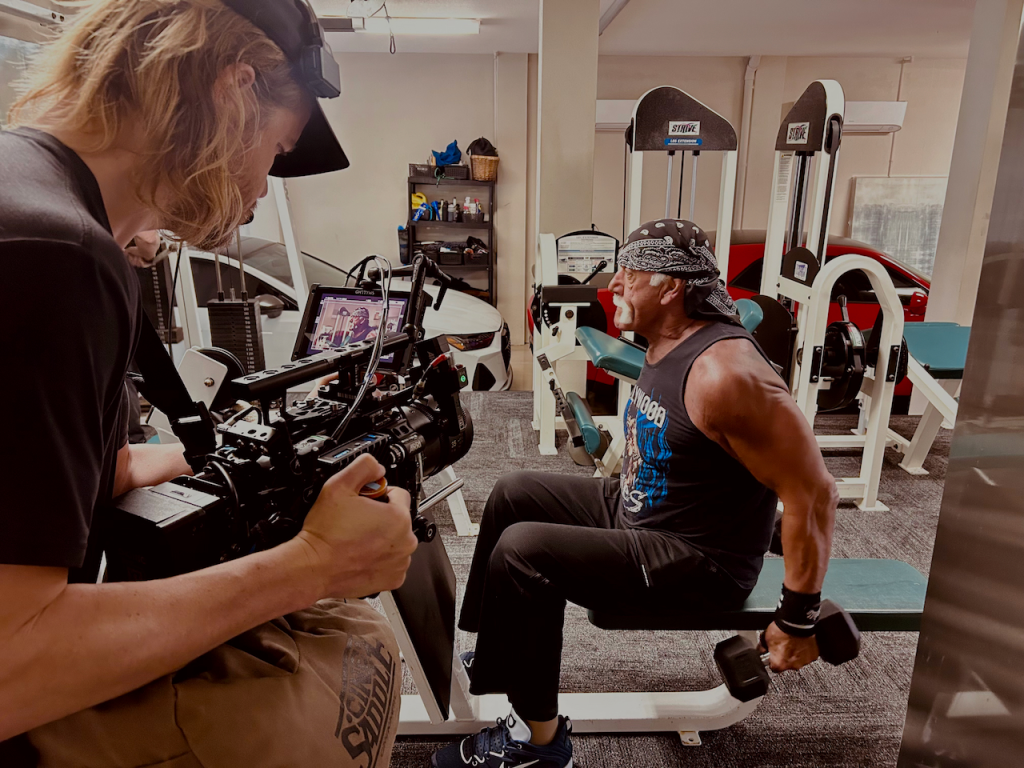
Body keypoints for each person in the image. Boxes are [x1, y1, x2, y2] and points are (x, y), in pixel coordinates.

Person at [0, 2, 416, 766]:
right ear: (233, 92)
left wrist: (202, 462)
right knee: (350, 662)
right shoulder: (53, 254)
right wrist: (312, 566)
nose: (263, 185)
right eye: (277, 146)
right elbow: (8, 666)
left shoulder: (33, 199)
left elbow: (57, 475)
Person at [431, 219, 839, 768]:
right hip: (646, 510)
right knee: (513, 491)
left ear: (672, 289)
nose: (614, 284)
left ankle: (538, 743)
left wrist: (796, 618)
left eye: (631, 273)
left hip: (697, 559)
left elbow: (815, 493)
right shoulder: (666, 341)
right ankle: (499, 655)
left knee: (524, 550)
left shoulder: (727, 375)